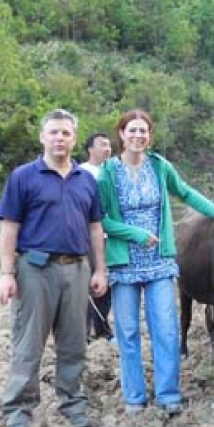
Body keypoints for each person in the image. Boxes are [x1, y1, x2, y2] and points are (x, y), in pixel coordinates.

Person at [97, 109, 214, 416]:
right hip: (124, 264)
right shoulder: (108, 173)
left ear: (149, 136)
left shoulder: (160, 167)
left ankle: (168, 394)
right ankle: (135, 398)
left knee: (166, 329)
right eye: (132, 130)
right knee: (129, 332)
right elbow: (101, 220)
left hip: (160, 262)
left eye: (144, 131)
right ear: (121, 134)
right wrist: (134, 233)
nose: (138, 136)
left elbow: (186, 193)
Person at [0, 109, 108, 427]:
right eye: (54, 132)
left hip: (77, 269)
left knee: (74, 343)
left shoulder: (86, 180)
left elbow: (95, 227)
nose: (60, 138)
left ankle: (73, 403)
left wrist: (99, 269)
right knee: (28, 344)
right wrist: (6, 273)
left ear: (75, 139)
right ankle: (18, 410)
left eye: (66, 133)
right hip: (35, 269)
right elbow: (9, 228)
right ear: (42, 137)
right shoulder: (23, 177)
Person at [80, 132, 113, 340]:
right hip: (88, 236)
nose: (108, 149)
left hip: (111, 236)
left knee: (106, 284)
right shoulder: (81, 172)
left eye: (109, 145)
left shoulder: (114, 171)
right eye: (103, 145)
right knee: (85, 282)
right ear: (90, 149)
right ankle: (83, 330)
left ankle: (102, 328)